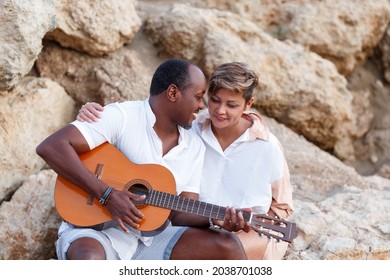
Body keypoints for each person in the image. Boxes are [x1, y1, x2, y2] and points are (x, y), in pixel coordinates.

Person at [77, 61, 295, 260]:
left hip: (241, 231)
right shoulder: (192, 127)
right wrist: (93, 116)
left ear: (248, 104)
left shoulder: (267, 146)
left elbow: (282, 208)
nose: (220, 111)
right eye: (215, 101)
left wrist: (242, 223)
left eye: (231, 105)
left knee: (231, 247)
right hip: (190, 224)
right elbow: (158, 110)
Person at [36, 58, 248, 260]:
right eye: (198, 96)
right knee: (89, 259)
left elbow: (180, 213)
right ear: (173, 92)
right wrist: (107, 195)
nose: (202, 105)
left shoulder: (194, 144)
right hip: (95, 233)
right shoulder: (122, 116)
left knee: (228, 246)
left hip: (152, 242)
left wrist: (216, 218)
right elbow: (52, 147)